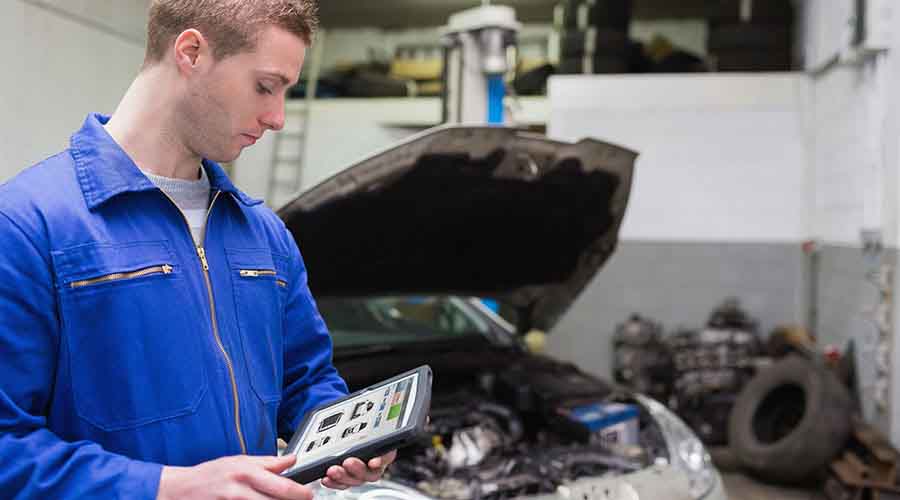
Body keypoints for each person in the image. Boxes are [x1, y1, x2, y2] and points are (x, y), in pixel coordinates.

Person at [0, 1, 395, 498]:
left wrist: (350, 438)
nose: (277, 118)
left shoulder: (266, 237)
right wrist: (168, 487)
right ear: (191, 52)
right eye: (264, 87)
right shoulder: (26, 226)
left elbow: (306, 380)